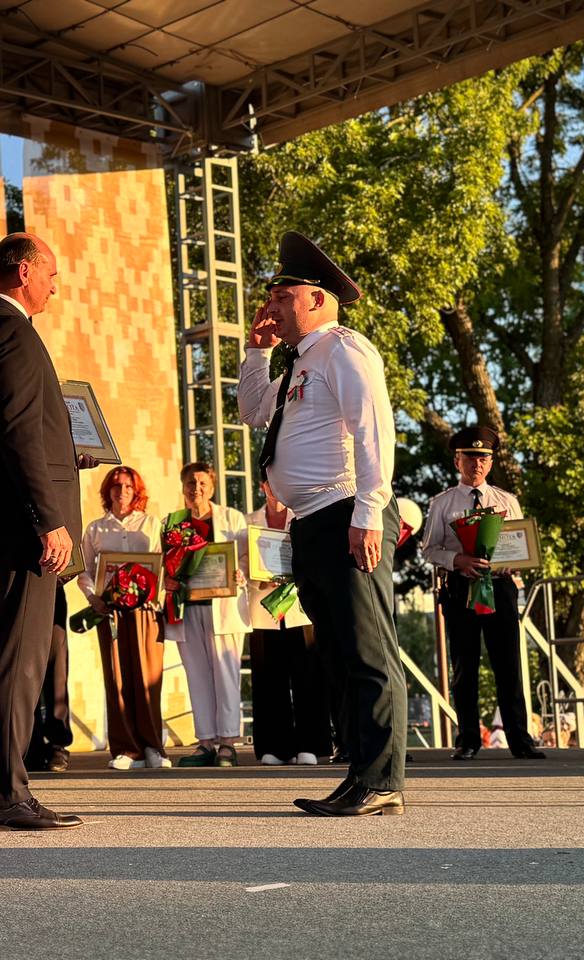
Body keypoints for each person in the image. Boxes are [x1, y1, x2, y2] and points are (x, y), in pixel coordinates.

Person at [237, 231, 406, 817]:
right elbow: (253, 412)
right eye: (273, 298)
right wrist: (256, 353)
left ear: (316, 299)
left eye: (282, 297)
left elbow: (373, 430)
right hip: (311, 523)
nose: (272, 307)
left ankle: (382, 779)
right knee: (336, 656)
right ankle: (360, 773)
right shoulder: (298, 364)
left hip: (347, 512)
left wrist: (369, 512)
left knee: (368, 652)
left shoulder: (343, 349)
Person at [0, 232, 86, 831]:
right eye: (51, 273)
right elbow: (21, 433)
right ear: (24, 272)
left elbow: (14, 435)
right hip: (20, 528)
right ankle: (7, 795)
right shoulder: (14, 334)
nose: (56, 285)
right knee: (17, 662)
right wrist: (49, 518)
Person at [419, 425, 545, 761]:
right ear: (457, 460)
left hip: (500, 588)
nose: (477, 464)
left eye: (484, 458)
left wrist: (512, 564)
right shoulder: (442, 503)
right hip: (460, 588)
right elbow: (429, 549)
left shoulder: (507, 501)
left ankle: (520, 739)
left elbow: (519, 545)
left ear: (490, 463)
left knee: (508, 665)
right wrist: (457, 559)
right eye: (471, 457)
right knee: (464, 666)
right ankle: (468, 740)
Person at [78, 466, 169, 771]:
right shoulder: (96, 529)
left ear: (136, 491)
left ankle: (153, 747)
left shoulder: (151, 523)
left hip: (146, 612)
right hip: (110, 612)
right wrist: (92, 597)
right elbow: (85, 571)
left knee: (147, 680)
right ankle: (127, 750)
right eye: (116, 486)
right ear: (108, 491)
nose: (122, 491)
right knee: (117, 679)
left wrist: (154, 595)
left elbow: (161, 565)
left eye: (128, 486)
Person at [161, 462, 251, 767]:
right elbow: (162, 562)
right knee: (196, 675)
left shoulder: (232, 518)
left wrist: (240, 573)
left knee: (226, 675)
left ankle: (227, 743)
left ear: (212, 487)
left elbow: (246, 557)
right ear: (183, 486)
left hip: (224, 608)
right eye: (190, 482)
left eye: (202, 483)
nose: (196, 488)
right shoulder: (172, 522)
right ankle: (205, 743)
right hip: (187, 608)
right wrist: (167, 579)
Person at [246, 480, 333, 766]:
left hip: (299, 608)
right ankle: (274, 747)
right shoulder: (249, 522)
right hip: (264, 611)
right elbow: (242, 565)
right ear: (263, 487)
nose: (276, 490)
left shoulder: (304, 516)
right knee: (268, 679)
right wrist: (256, 578)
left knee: (308, 677)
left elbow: (316, 557)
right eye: (271, 485)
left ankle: (311, 745)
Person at [24, 588, 75, 772]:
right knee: (25, 672)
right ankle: (31, 745)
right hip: (20, 592)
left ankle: (57, 745)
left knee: (56, 670)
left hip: (52, 588)